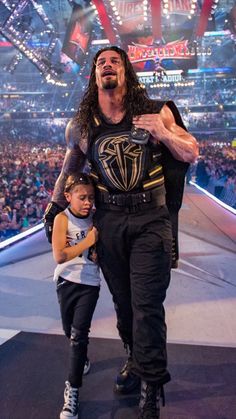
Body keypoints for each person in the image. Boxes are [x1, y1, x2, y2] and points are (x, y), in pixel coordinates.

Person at [44, 46, 199, 419]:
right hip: (110, 221)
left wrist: (163, 132)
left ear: (126, 72)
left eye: (114, 61)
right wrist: (54, 207)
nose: (107, 65)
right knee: (125, 305)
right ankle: (134, 359)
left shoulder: (154, 112)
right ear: (94, 76)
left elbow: (191, 151)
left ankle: (151, 386)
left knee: (147, 306)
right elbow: (69, 170)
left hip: (150, 218)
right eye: (100, 63)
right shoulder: (81, 126)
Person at [52, 173, 100, 419]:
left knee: (78, 336)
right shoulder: (62, 219)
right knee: (68, 330)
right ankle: (82, 357)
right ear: (68, 197)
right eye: (82, 197)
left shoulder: (97, 218)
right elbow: (59, 256)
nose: (87, 202)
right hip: (65, 281)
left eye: (91, 197)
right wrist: (88, 241)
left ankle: (72, 393)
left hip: (90, 283)